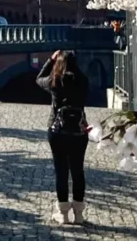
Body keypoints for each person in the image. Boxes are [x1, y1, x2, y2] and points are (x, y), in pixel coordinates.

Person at [37, 49, 90, 225]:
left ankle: (63, 214)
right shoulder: (83, 81)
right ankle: (79, 214)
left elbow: (38, 78)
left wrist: (51, 61)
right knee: (77, 171)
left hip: (57, 131)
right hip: (78, 131)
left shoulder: (54, 81)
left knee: (61, 172)